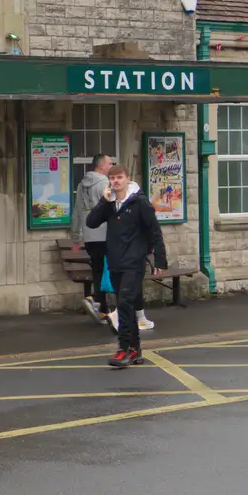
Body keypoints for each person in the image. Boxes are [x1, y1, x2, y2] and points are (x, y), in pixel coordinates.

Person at [84, 164, 168, 368]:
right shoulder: (110, 204)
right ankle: (136, 350)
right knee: (126, 305)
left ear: (127, 179)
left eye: (119, 178)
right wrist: (103, 201)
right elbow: (91, 222)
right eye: (112, 178)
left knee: (124, 304)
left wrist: (159, 260)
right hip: (115, 262)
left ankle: (123, 349)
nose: (115, 182)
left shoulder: (140, 203)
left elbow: (155, 231)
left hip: (134, 262)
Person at [72, 154, 113, 324]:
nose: (111, 166)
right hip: (104, 235)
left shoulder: (81, 185)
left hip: (89, 237)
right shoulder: (105, 183)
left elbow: (76, 212)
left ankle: (102, 309)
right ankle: (97, 301)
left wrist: (76, 237)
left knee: (98, 271)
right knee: (110, 271)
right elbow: (112, 208)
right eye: (110, 163)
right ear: (102, 165)